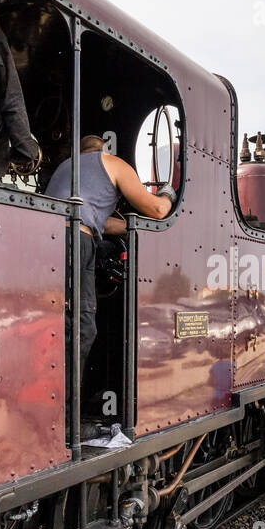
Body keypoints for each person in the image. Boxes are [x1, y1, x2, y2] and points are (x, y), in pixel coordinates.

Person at [45, 135, 174, 393]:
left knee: (58, 326)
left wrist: (128, 227)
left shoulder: (65, 169)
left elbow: (99, 221)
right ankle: (68, 421)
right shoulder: (112, 163)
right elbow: (158, 210)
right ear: (103, 148)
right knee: (82, 327)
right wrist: (167, 194)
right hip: (77, 240)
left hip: (50, 241)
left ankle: (53, 408)